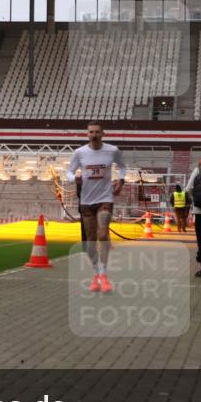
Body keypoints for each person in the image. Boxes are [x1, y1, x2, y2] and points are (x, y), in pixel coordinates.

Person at [66, 122, 126, 293]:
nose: (94, 135)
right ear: (87, 134)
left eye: (97, 132)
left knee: (102, 234)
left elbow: (122, 167)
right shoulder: (80, 153)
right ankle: (97, 274)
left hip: (105, 199)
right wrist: (74, 178)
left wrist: (120, 183)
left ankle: (104, 274)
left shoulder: (112, 150)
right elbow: (69, 171)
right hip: (86, 202)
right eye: (91, 132)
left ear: (103, 134)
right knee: (91, 243)